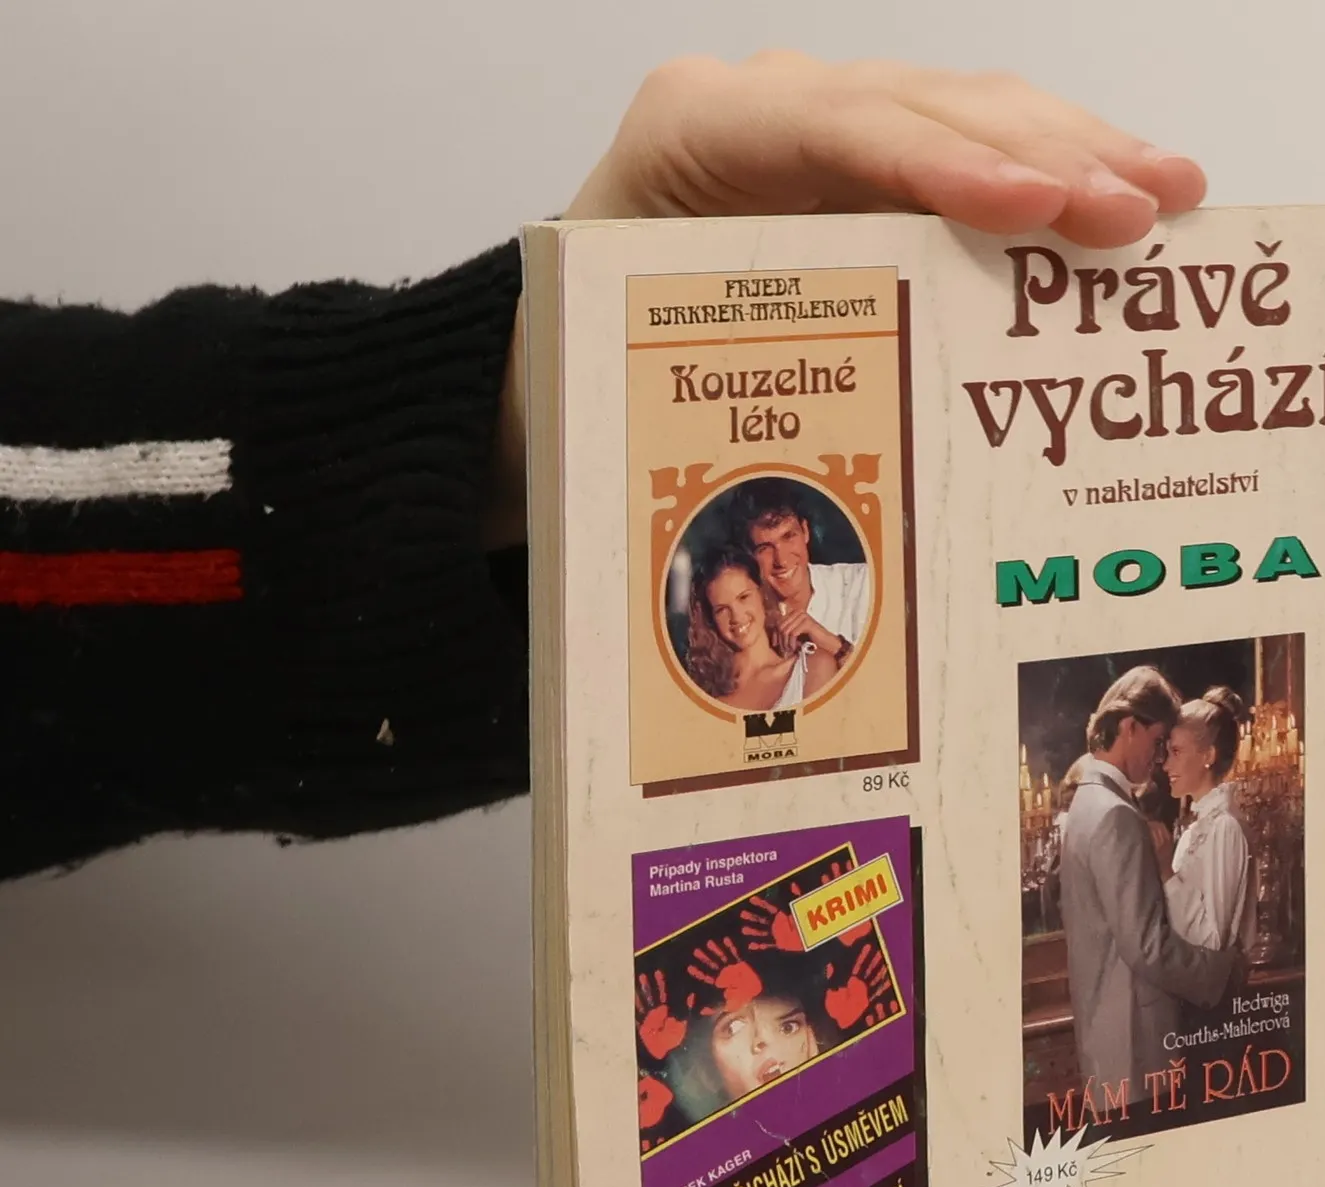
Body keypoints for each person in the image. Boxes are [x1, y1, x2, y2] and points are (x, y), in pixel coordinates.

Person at [0, 55, 1207, 882]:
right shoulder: (775, 660)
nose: (763, 591)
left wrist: (534, 384)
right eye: (747, 580)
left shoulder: (836, 629)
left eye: (778, 561)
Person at [1057, 666, 1234, 1101]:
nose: (1159, 760)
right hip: (1136, 1048)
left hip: (1110, 1041)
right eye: (1157, 743)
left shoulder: (1086, 803)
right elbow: (1147, 947)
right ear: (1129, 727)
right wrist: (1219, 972)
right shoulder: (1115, 814)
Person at [1159, 685, 1256, 963]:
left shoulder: (1225, 828)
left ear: (1208, 756)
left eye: (1176, 751)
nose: (1166, 765)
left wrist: (1166, 873)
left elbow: (1213, 940)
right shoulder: (1195, 831)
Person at [732, 479, 869, 666]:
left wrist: (831, 644)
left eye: (788, 536)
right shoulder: (743, 619)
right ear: (749, 554)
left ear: (805, 531)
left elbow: (889, 676)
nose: (781, 560)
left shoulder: (862, 583)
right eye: (765, 548)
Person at [685, 546, 840, 711]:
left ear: (762, 594)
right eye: (722, 609)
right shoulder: (704, 696)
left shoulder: (811, 668)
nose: (736, 616)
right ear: (710, 619)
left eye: (743, 597)